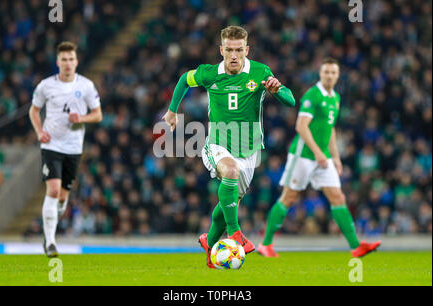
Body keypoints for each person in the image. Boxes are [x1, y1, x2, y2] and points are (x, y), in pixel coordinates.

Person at [162, 26, 295, 268]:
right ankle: (235, 234)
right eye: (229, 50)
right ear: (221, 50)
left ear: (246, 49)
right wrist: (172, 111)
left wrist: (277, 91)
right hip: (216, 144)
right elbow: (184, 79)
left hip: (249, 149)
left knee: (228, 205)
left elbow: (291, 100)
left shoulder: (260, 72)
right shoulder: (209, 73)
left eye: (238, 50)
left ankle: (210, 242)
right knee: (230, 172)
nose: (234, 55)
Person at [257, 58, 381, 258]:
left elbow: (329, 130)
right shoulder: (312, 96)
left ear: (338, 75)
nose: (330, 75)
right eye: (326, 72)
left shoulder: (336, 98)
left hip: (323, 157)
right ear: (320, 74)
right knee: (289, 197)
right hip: (303, 155)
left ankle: (356, 246)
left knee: (338, 197)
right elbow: (301, 127)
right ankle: (266, 244)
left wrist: (336, 158)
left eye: (333, 72)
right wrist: (318, 153)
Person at [29, 41, 103, 257]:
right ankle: (50, 242)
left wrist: (81, 118)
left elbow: (98, 114)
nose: (68, 63)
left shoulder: (86, 86)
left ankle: (49, 228)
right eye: (64, 60)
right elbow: (33, 111)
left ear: (76, 61)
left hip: (73, 147)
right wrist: (39, 131)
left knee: (62, 198)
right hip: (51, 144)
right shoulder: (46, 86)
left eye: (71, 59)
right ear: (58, 62)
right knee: (52, 190)